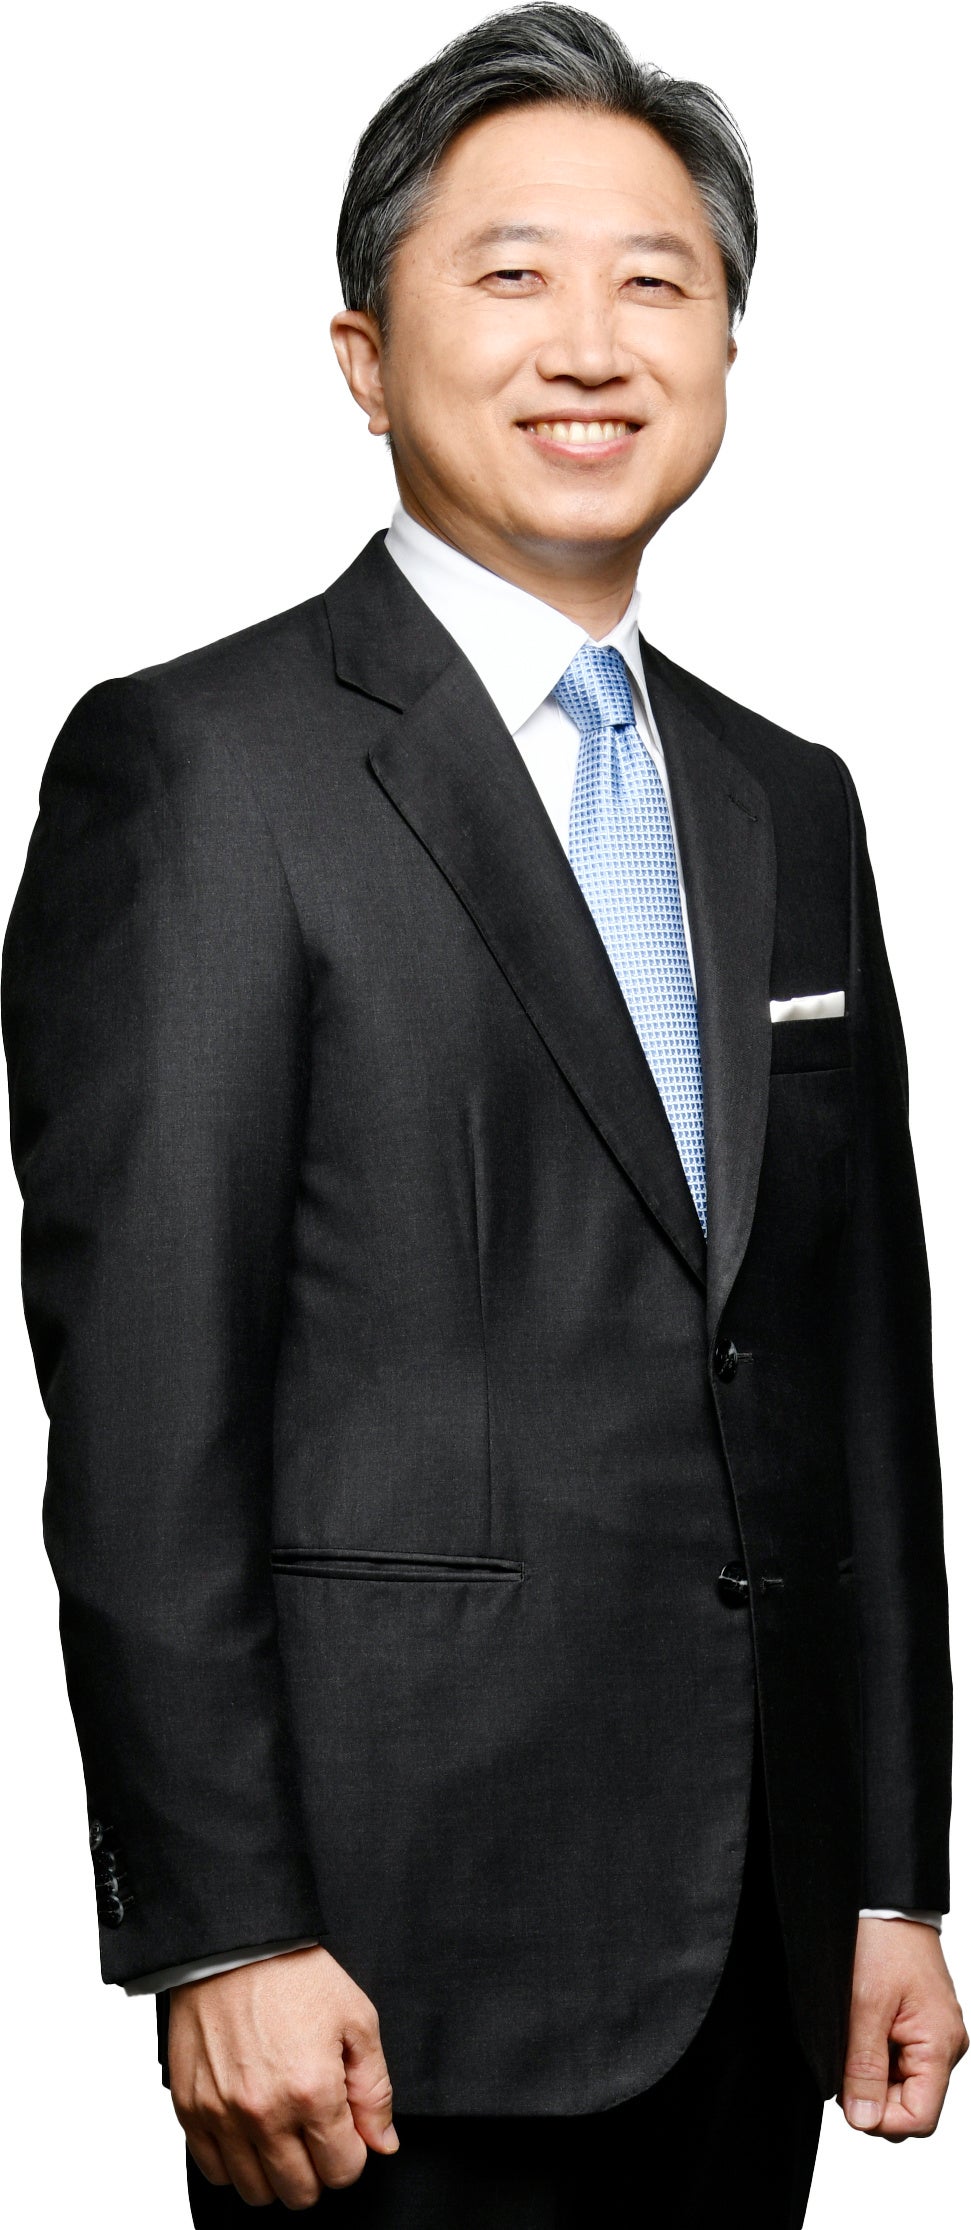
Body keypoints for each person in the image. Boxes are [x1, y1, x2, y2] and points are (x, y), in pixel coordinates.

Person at [2, 7, 966, 2224]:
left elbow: (855, 1376)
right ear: (364, 353)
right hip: (378, 1964)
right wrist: (220, 1924)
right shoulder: (201, 769)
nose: (592, 344)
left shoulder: (791, 799)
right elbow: (143, 1408)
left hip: (759, 1950)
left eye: (658, 281)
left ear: (728, 347)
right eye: (512, 274)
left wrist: (892, 1868)